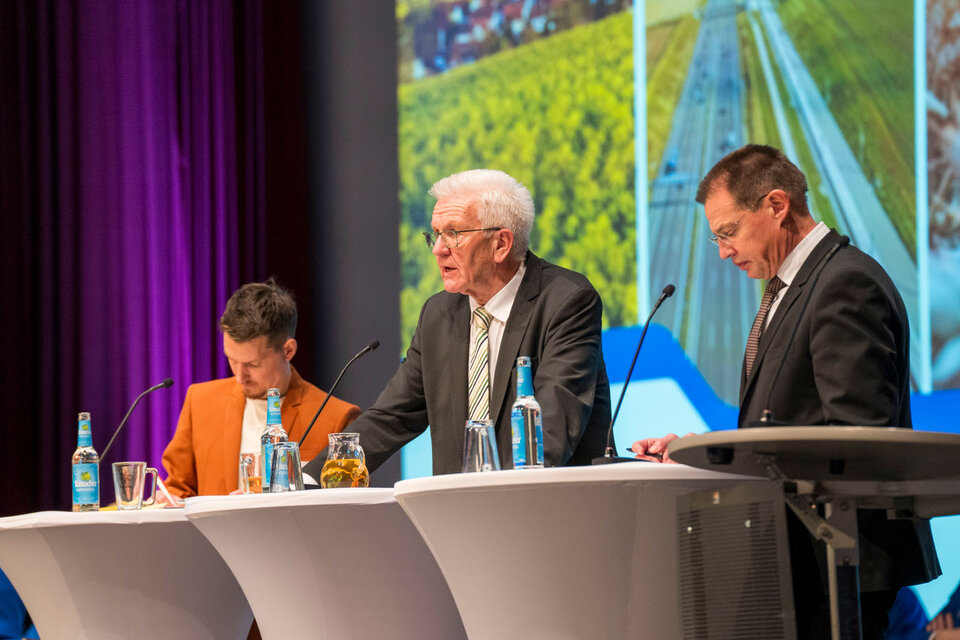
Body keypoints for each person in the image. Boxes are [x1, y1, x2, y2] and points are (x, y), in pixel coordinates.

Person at [631, 145, 940, 639]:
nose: (723, 251)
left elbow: (858, 443)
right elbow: (788, 425)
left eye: (727, 232)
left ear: (777, 205)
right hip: (799, 556)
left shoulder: (843, 283)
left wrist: (726, 461)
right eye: (715, 238)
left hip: (836, 561)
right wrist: (703, 455)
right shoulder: (793, 286)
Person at [305, 169, 610, 478]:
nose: (438, 249)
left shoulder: (566, 302)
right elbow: (391, 417)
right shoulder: (437, 314)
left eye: (453, 234)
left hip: (545, 510)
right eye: (435, 235)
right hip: (456, 515)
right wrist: (307, 479)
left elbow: (551, 432)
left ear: (501, 244)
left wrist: (491, 497)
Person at [162, 279, 361, 499]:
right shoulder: (200, 401)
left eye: (253, 364)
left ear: (288, 350)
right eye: (232, 360)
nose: (239, 376)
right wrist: (168, 500)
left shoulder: (334, 418)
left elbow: (343, 507)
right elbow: (178, 490)